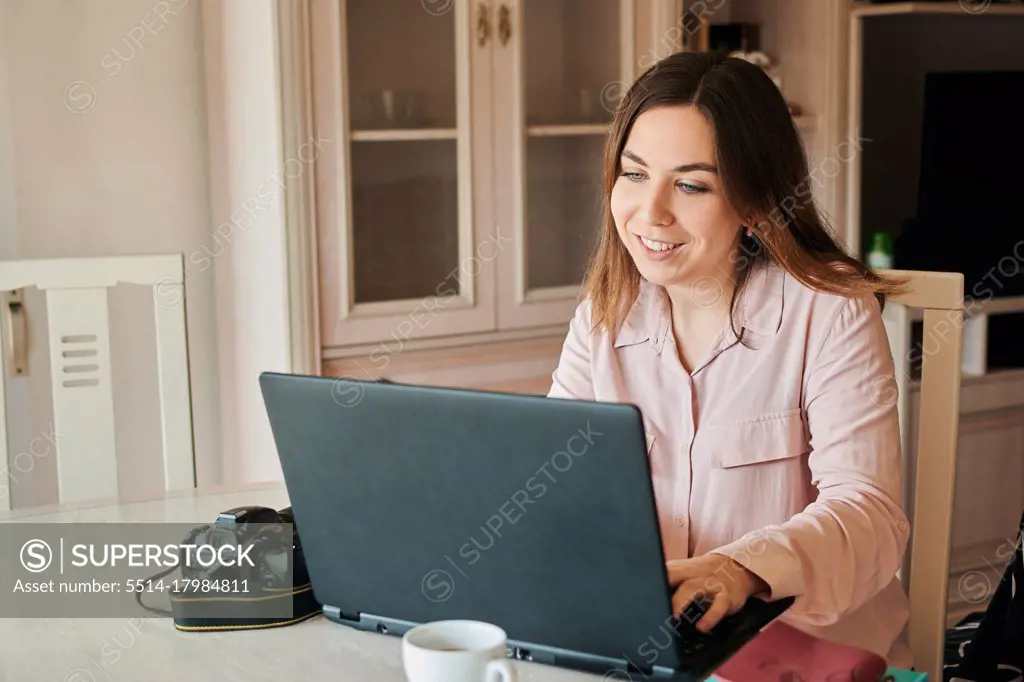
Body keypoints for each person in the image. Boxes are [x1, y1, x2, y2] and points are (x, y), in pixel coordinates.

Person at [546, 51, 914, 667]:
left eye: (691, 184)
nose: (651, 212)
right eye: (634, 175)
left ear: (753, 203)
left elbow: (869, 512)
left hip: (810, 656)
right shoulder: (604, 313)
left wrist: (741, 569)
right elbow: (554, 487)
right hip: (651, 648)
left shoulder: (829, 311)